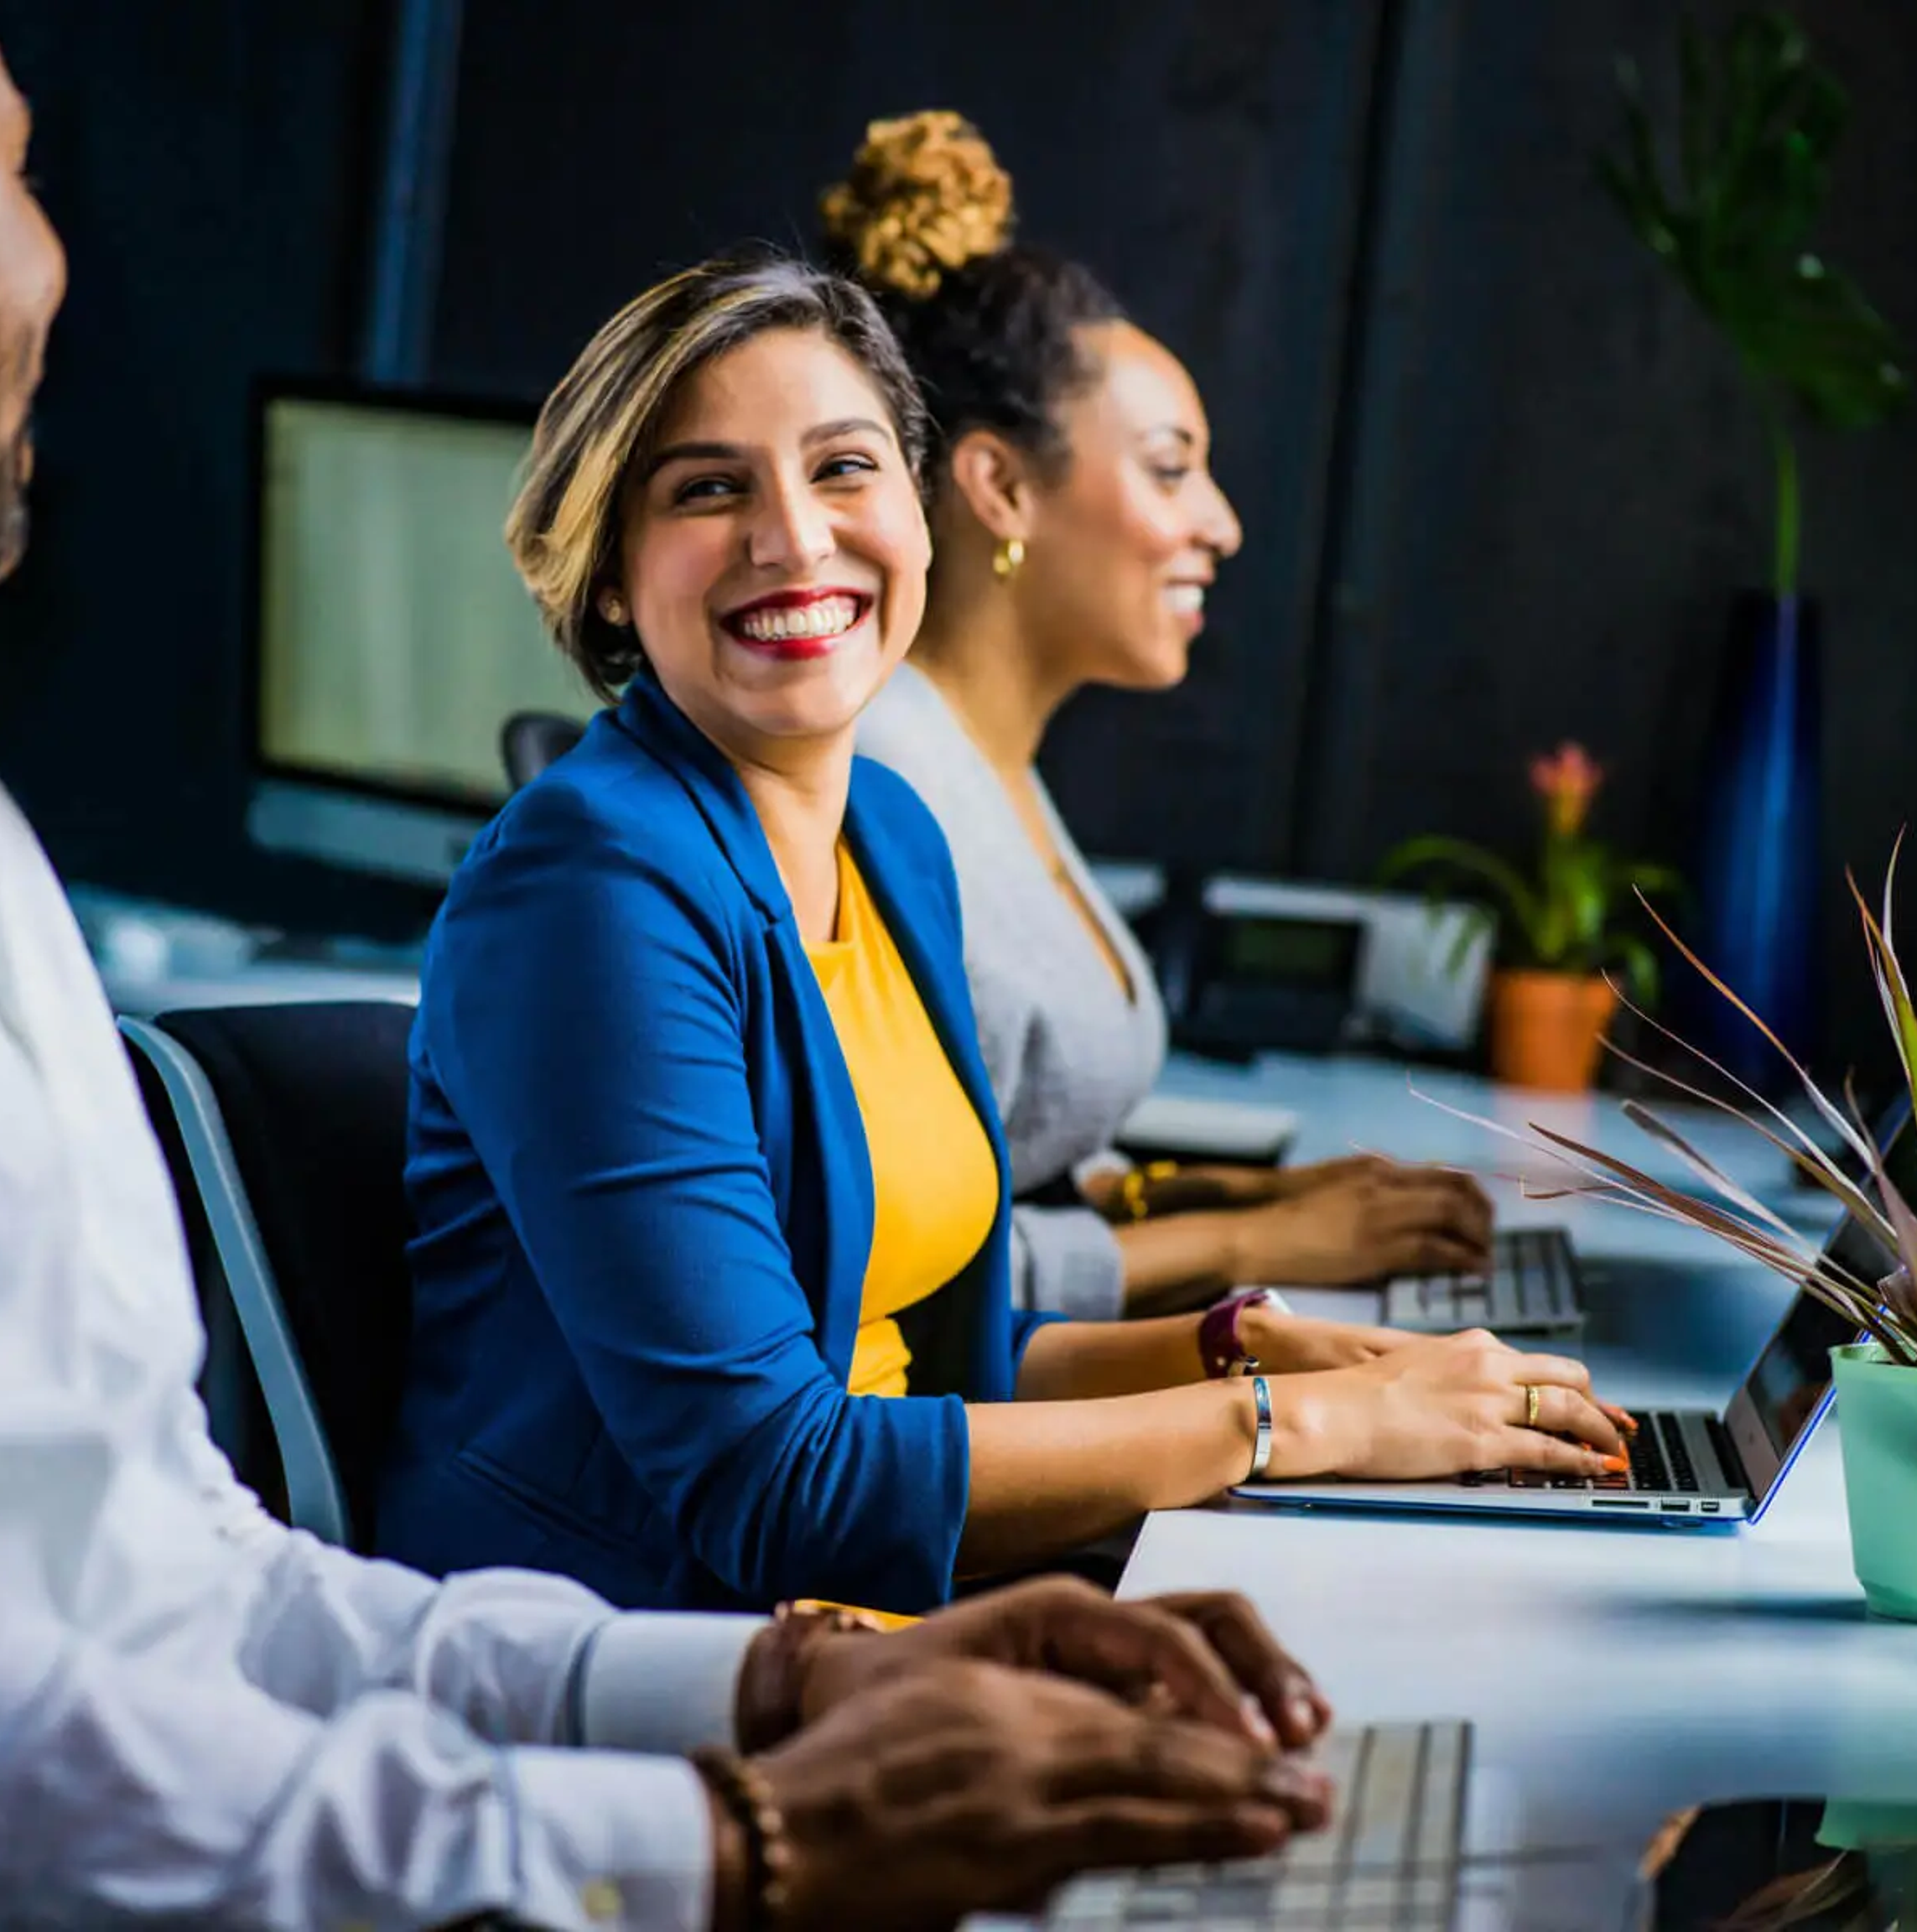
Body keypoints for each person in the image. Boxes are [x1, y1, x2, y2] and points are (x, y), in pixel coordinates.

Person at [0, 5, 1339, 1927]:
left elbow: (179, 1585)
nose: (55, 261)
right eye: (27, 165)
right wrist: (743, 1839)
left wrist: (789, 1691)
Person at [384, 250, 1631, 1618]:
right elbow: (772, 1480)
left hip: (881, 1620)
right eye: (708, 488)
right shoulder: (590, 888)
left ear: (921, 514)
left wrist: (1250, 1352)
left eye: (845, 468)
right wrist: (1296, 1426)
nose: (795, 538)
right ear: (613, 577)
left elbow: (938, 1366)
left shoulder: (894, 838)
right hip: (646, 1660)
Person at [835, 112, 1501, 1329]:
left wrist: (1228, 1193)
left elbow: (1004, 1162)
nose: (1221, 524)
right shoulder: (886, 793)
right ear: (999, 485)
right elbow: (895, 1272)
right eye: (1169, 466)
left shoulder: (986, 766)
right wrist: (1249, 1238)